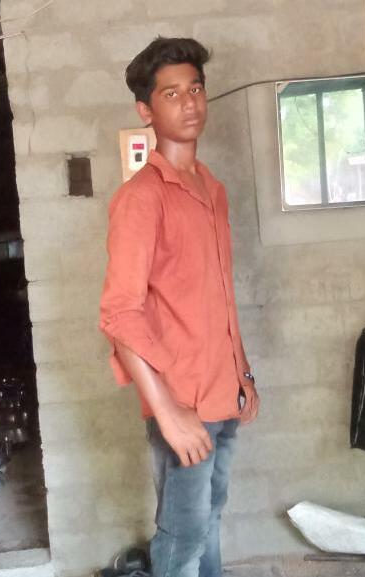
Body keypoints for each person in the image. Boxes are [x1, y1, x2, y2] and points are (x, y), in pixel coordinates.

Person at [99, 37, 259, 577]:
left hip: (223, 393)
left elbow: (219, 296)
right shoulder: (142, 198)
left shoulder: (211, 188)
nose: (189, 103)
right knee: (183, 532)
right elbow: (120, 315)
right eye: (171, 94)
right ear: (146, 110)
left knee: (210, 518)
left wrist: (243, 374)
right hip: (182, 402)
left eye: (195, 89)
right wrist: (167, 413)